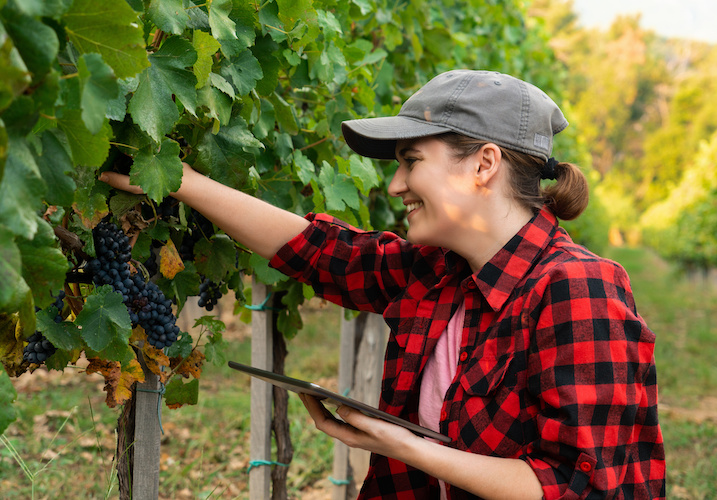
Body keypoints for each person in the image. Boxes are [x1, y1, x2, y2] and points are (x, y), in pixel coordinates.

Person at [100, 70, 666, 499]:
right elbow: (316, 251)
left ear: (484, 163)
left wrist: (403, 447)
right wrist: (181, 182)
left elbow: (579, 486)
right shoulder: (437, 271)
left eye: (411, 161)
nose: (396, 184)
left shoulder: (578, 289)